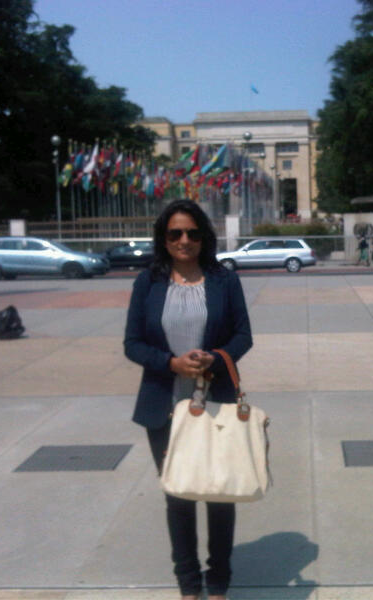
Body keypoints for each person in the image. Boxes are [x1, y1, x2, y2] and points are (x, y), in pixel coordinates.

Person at [124, 199, 252, 600]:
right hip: (164, 407)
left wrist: (215, 358)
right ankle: (189, 585)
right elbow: (132, 343)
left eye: (192, 232)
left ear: (204, 237)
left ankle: (218, 583)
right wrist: (171, 363)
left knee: (219, 496)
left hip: (215, 404)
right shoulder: (148, 282)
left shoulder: (224, 280)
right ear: (164, 239)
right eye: (175, 233)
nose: (184, 240)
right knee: (178, 496)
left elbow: (243, 336)